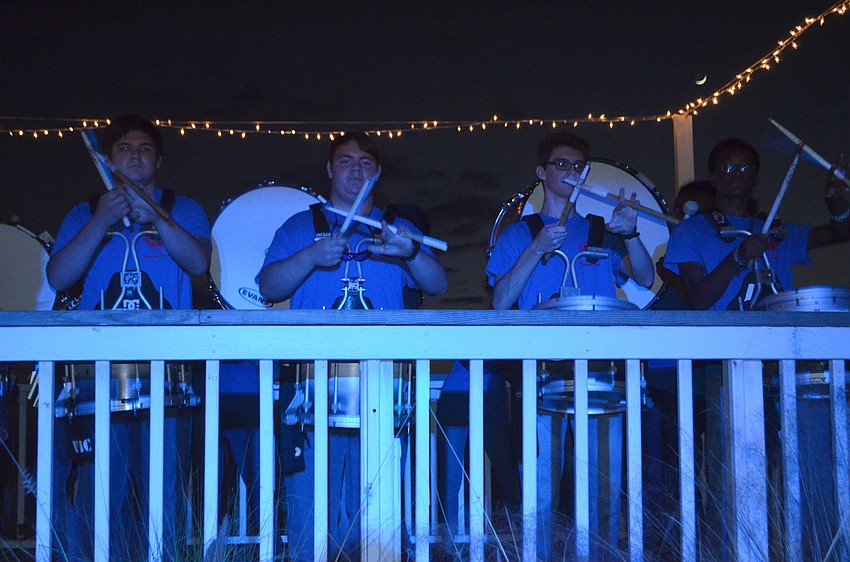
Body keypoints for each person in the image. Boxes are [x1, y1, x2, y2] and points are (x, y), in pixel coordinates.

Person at [257, 132, 447, 561]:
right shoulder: (298, 227)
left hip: (382, 392)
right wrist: (309, 257)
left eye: (365, 162)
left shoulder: (397, 229)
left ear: (377, 172)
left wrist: (410, 252)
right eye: (345, 161)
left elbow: (437, 284)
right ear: (329, 169)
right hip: (310, 394)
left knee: (375, 522)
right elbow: (269, 286)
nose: (355, 169)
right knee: (311, 518)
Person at [664, 137, 850, 560]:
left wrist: (837, 201)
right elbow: (698, 300)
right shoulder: (694, 231)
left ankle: (812, 548)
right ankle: (731, 550)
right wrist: (739, 257)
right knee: (733, 472)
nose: (736, 175)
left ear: (756, 177)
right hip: (728, 369)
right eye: (727, 168)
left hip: (786, 366)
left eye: (745, 168)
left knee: (806, 467)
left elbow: (839, 231)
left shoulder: (775, 229)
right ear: (713, 177)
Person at [47, 115, 211, 561]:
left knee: (164, 493)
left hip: (168, 376)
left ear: (158, 160)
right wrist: (102, 220)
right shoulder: (85, 211)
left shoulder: (184, 207)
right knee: (101, 494)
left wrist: (155, 216)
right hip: (96, 377)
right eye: (123, 148)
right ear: (107, 158)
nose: (134, 155)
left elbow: (198, 265)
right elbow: (60, 276)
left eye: (144, 149)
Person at [486, 130, 654, 559]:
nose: (571, 172)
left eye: (578, 166)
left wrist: (632, 234)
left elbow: (645, 278)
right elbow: (501, 302)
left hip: (598, 370)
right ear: (541, 172)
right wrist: (537, 248)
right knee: (540, 487)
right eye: (561, 164)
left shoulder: (599, 230)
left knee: (602, 484)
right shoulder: (517, 233)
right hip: (538, 372)